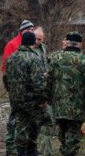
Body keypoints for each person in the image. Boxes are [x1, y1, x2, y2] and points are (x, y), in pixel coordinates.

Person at [47, 32, 85, 156]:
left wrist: (47, 100)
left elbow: (48, 80)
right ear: (80, 44)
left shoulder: (54, 57)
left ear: (66, 42)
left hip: (58, 105)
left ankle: (65, 151)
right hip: (77, 106)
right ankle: (68, 152)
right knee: (73, 134)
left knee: (63, 132)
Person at [6, 32, 48, 156]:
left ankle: (21, 152)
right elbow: (38, 83)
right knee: (36, 123)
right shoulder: (34, 58)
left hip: (15, 99)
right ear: (32, 42)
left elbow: (7, 79)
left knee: (21, 125)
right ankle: (31, 150)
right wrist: (41, 101)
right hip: (31, 101)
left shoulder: (11, 57)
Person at [2, 19, 35, 156]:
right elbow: (5, 69)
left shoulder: (34, 45)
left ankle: (28, 147)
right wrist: (11, 89)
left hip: (29, 92)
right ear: (22, 31)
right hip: (16, 90)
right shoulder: (12, 44)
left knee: (28, 120)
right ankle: (10, 146)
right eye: (29, 30)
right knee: (15, 118)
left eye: (33, 30)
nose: (32, 32)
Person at [33, 26, 56, 156]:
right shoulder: (28, 50)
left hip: (46, 89)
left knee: (48, 122)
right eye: (36, 39)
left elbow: (47, 62)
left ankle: (45, 150)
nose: (38, 41)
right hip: (36, 90)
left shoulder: (44, 48)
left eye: (40, 39)